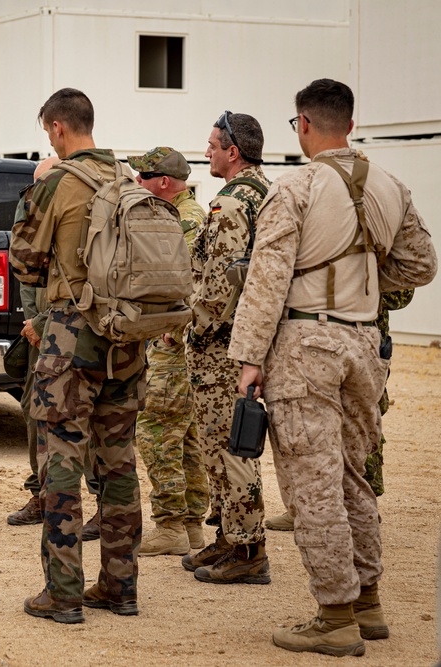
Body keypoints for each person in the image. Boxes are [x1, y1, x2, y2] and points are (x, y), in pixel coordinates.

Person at [228, 78, 436, 656]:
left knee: (313, 485)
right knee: (353, 477)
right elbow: (421, 264)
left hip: (304, 346)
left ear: (303, 123)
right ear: (350, 120)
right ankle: (367, 604)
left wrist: (248, 358)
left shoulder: (296, 186)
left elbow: (267, 279)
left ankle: (335, 616)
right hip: (364, 345)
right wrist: (364, 292)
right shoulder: (391, 185)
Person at [10, 88, 145, 624]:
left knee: (62, 460)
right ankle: (120, 586)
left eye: (48, 131)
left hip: (72, 338)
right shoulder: (128, 179)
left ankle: (63, 592)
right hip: (127, 340)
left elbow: (25, 263)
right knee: (119, 463)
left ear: (58, 128)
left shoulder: (60, 184)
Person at [181, 111, 272, 585]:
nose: (207, 152)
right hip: (240, 341)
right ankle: (229, 537)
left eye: (213, 145)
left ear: (233, 151)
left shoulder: (234, 204)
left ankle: (249, 548)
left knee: (229, 447)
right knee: (219, 444)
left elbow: (219, 286)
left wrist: (192, 331)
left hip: (223, 345)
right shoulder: (263, 192)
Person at [265, 288, 415, 532]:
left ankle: (363, 507)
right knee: (313, 425)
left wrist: (354, 290)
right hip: (318, 341)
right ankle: (305, 508)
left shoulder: (377, 251)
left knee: (360, 426)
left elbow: (402, 294)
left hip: (363, 343)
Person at [8, 156, 101, 542]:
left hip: (66, 331)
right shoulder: (40, 216)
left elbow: (77, 284)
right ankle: (41, 493)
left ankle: (92, 501)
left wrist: (41, 323)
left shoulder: (77, 216)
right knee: (35, 414)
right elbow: (28, 276)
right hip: (39, 337)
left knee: (79, 422)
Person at [126, 147, 208, 556]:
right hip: (183, 342)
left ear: (162, 183)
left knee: (155, 430)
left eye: (141, 178)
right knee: (186, 435)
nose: (135, 185)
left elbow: (187, 282)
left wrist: (170, 329)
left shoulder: (182, 221)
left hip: (174, 343)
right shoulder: (192, 215)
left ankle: (171, 524)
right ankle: (192, 525)